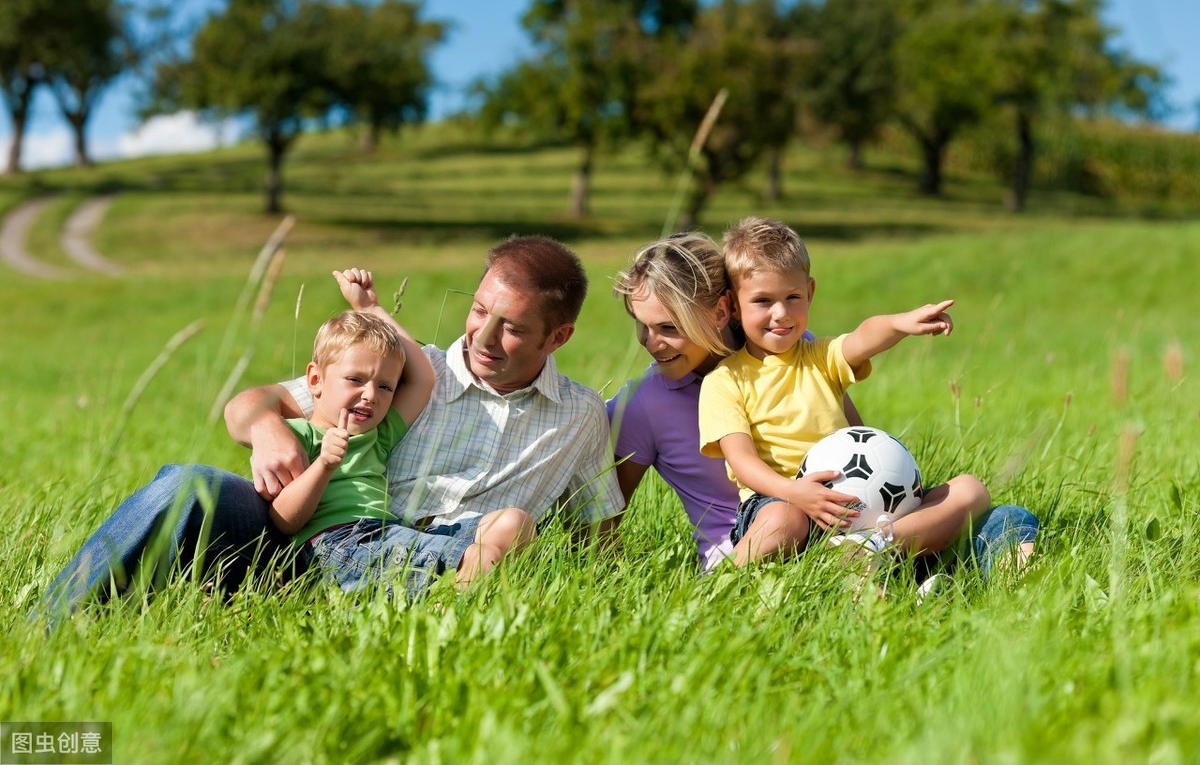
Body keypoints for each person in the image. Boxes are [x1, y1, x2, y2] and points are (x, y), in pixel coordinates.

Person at [41, 236, 623, 618]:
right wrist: (269, 427)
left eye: (514, 328)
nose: (485, 337)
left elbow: (598, 537)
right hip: (304, 533)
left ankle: (439, 629)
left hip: (426, 560)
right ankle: (52, 624)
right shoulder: (399, 371)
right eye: (478, 311)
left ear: (558, 337)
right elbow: (247, 403)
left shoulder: (578, 417)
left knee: (509, 527)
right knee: (187, 484)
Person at [608, 229, 1037, 575]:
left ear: (721, 312)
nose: (650, 343)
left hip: (849, 520)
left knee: (987, 503)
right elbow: (604, 515)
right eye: (641, 327)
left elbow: (856, 438)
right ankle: (939, 566)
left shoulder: (798, 352)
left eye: (668, 327)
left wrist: (891, 500)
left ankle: (884, 558)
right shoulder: (644, 404)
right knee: (785, 521)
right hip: (766, 547)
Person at [274, 269, 535, 595]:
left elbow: (424, 377)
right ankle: (452, 617)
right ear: (315, 380)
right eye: (355, 380)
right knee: (477, 560)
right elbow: (283, 520)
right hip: (340, 545)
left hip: (389, 534)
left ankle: (451, 600)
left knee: (513, 523)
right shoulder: (296, 436)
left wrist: (370, 308)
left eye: (385, 386)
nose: (370, 395)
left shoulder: (376, 435)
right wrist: (324, 465)